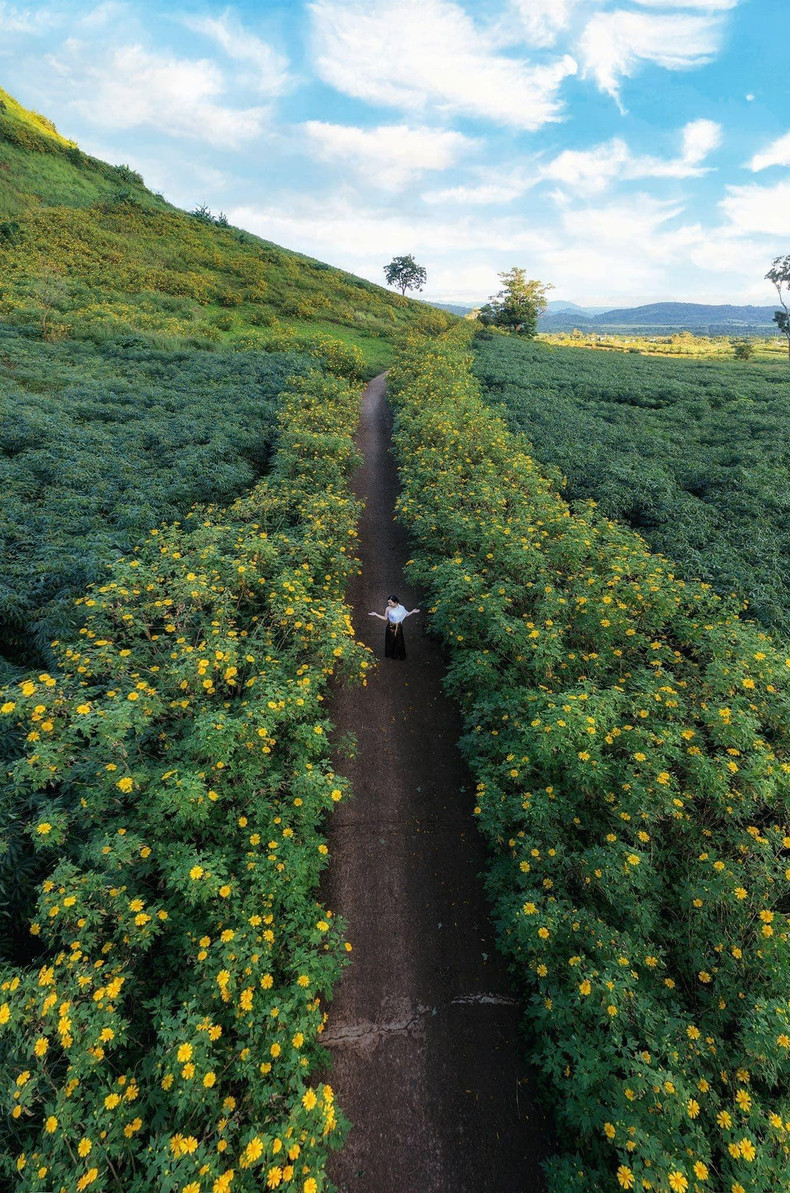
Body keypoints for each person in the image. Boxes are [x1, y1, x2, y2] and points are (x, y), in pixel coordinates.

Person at [369, 595, 420, 659]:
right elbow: (385, 618)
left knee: (399, 641)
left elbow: (405, 615)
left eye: (390, 603)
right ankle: (391, 654)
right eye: (388, 602)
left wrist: (412, 612)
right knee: (391, 641)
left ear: (395, 602)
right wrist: (376, 614)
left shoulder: (401, 608)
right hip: (391, 627)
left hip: (399, 626)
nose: (389, 604)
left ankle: (399, 655)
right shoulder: (388, 608)